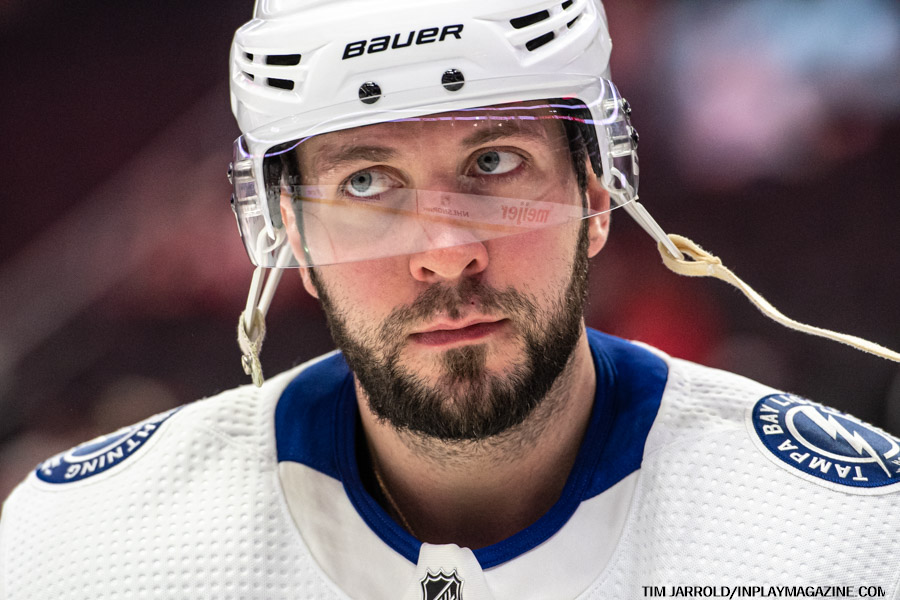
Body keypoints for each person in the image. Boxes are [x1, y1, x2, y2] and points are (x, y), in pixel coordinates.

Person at [3, 0, 900, 598]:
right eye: (366, 182)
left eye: (494, 163)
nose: (444, 251)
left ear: (599, 194)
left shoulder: (847, 535)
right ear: (288, 238)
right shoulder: (85, 546)